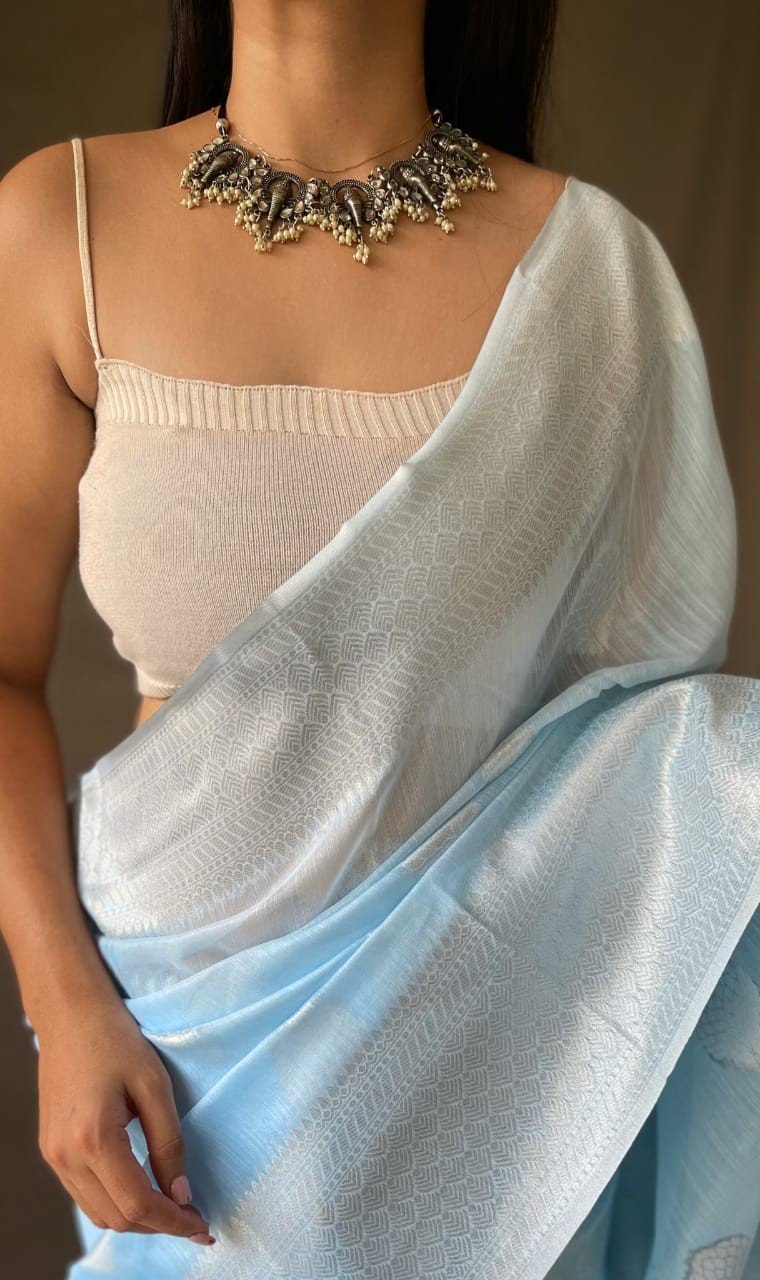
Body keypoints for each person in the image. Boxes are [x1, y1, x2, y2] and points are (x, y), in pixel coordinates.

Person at [1, 2, 758, 1277]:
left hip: (488, 1048)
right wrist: (63, 1002)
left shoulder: (588, 275)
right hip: (179, 1051)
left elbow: (637, 763)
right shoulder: (58, 225)